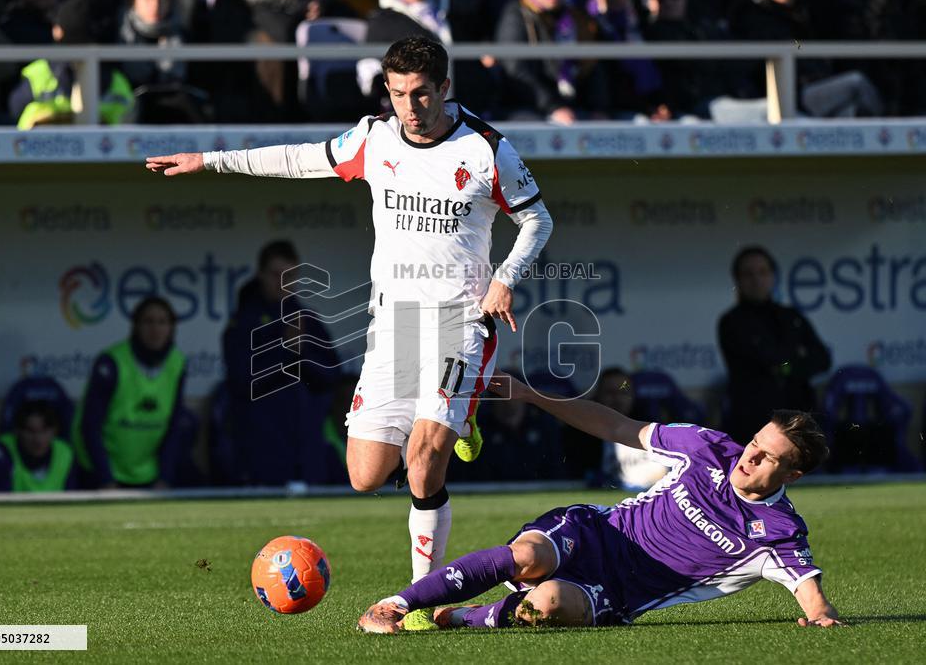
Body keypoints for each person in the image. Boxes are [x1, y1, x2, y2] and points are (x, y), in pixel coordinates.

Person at [145, 36, 553, 627]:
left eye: (421, 94)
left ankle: (421, 601)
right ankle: (463, 416)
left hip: (461, 321)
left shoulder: (487, 149)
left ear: (445, 88)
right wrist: (209, 161)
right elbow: (296, 158)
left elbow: (537, 218)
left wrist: (506, 278)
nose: (410, 107)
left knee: (423, 460)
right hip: (393, 325)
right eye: (398, 94)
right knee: (366, 475)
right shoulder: (374, 138)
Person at [357, 371, 844, 633]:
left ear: (792, 475)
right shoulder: (708, 447)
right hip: (593, 532)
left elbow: (809, 590)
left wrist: (821, 615)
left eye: (766, 457)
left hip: (617, 592)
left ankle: (459, 617)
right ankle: (392, 606)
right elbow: (615, 425)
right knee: (526, 556)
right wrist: (532, 395)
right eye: (755, 442)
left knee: (545, 605)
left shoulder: (778, 531)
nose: (749, 456)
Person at [220, 240, 344, 486]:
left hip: (307, 450)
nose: (282, 283)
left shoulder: (307, 320)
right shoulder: (243, 322)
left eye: (289, 276)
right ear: (260, 274)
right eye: (275, 275)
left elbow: (332, 376)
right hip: (260, 449)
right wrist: (285, 352)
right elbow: (241, 381)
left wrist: (302, 353)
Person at [72, 296, 192, 489]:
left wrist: (165, 477)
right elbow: (90, 426)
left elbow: (174, 426)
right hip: (104, 472)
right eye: (148, 322)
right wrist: (105, 479)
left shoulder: (177, 363)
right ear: (136, 326)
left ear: (172, 328)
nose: (155, 329)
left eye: (162, 322)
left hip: (147, 473)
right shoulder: (111, 362)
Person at [718, 246, 831, 446]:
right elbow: (767, 362)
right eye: (748, 274)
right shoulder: (731, 322)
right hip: (754, 424)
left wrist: (785, 366)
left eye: (763, 272)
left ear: (773, 276)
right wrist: (794, 359)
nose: (756, 280)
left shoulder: (791, 316)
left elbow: (822, 359)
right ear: (737, 280)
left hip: (799, 419)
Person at [7, 0, 135, 129]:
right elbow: (130, 116)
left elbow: (15, 107)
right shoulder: (116, 81)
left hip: (38, 141)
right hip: (102, 140)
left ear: (57, 32)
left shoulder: (38, 73)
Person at [562, 366, 667, 489]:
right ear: (597, 395)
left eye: (623, 392)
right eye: (610, 393)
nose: (617, 399)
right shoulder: (580, 430)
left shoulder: (648, 426)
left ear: (633, 395)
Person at [0, 401, 76, 493]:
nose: (37, 439)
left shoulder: (64, 453)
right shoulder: (0, 453)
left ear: (54, 431)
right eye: (30, 431)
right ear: (17, 431)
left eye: (44, 431)